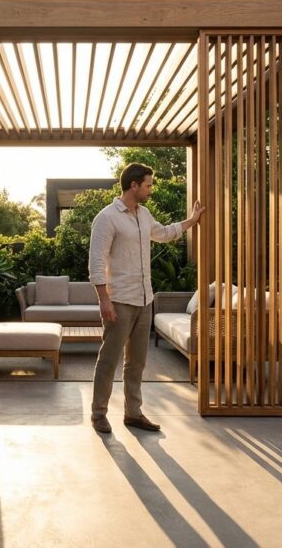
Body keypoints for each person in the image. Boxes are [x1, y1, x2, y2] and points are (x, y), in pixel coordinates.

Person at [88, 163, 204, 434]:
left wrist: (191, 220)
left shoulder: (144, 214)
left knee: (137, 362)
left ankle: (133, 413)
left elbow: (163, 233)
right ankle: (98, 414)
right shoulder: (106, 218)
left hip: (145, 299)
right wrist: (104, 299)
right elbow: (96, 262)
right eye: (148, 185)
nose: (151, 190)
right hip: (119, 300)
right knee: (109, 360)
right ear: (134, 185)